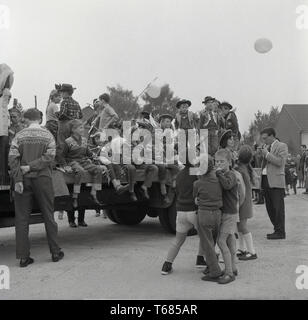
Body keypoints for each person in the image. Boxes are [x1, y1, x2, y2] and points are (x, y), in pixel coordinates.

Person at [8, 108, 64, 267]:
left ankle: (23, 258)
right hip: (43, 179)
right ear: (39, 119)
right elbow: (50, 157)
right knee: (48, 215)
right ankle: (55, 252)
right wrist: (32, 167)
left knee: (22, 218)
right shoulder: (48, 136)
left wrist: (18, 177)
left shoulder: (19, 136)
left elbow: (12, 159)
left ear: (26, 120)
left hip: (22, 181)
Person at [161, 160, 206, 275]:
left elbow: (176, 189)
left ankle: (167, 265)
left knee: (178, 240)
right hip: (194, 210)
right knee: (204, 237)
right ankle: (200, 259)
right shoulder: (196, 172)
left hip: (180, 211)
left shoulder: (179, 174)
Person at [58, 119, 106, 209]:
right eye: (80, 128)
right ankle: (75, 197)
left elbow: (88, 153)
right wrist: (65, 166)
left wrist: (95, 156)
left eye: (83, 128)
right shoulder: (68, 141)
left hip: (83, 161)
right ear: (73, 130)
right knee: (80, 171)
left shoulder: (84, 140)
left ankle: (94, 193)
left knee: (98, 169)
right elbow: (61, 156)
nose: (83, 130)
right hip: (72, 161)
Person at [193, 156, 223, 281]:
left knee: (207, 244)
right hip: (217, 214)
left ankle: (215, 271)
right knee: (213, 242)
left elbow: (195, 199)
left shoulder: (197, 183)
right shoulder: (219, 180)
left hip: (204, 214)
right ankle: (211, 266)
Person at [214, 149, 239, 284]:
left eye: (222, 161)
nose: (219, 164)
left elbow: (227, 185)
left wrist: (218, 173)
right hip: (225, 212)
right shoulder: (222, 174)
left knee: (221, 241)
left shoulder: (231, 175)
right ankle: (233, 268)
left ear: (229, 162)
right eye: (216, 161)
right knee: (229, 240)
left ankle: (229, 273)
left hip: (229, 213)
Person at [260, 127, 288, 240]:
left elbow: (280, 162)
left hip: (276, 182)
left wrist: (266, 154)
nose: (264, 141)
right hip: (266, 180)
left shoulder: (282, 146)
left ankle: (281, 232)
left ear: (272, 136)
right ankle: (276, 229)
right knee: (270, 208)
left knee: (278, 208)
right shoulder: (266, 147)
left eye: (265, 138)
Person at [236, 146, 258, 261]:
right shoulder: (245, 168)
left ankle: (252, 251)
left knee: (242, 226)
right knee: (239, 226)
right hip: (246, 201)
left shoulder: (240, 169)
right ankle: (242, 248)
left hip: (243, 202)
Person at [56, 83, 82, 161]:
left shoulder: (64, 102)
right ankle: (72, 160)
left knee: (62, 144)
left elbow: (63, 114)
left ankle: (61, 162)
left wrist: (57, 115)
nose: (61, 94)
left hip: (65, 125)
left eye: (62, 92)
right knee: (72, 143)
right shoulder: (76, 103)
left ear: (65, 92)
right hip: (75, 126)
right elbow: (81, 115)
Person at [0, 63, 14, 185]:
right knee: (2, 155)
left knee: (3, 156)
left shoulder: (4, 104)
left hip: (3, 132)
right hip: (1, 132)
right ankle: (3, 180)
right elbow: (6, 88)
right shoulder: (4, 96)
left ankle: (3, 179)